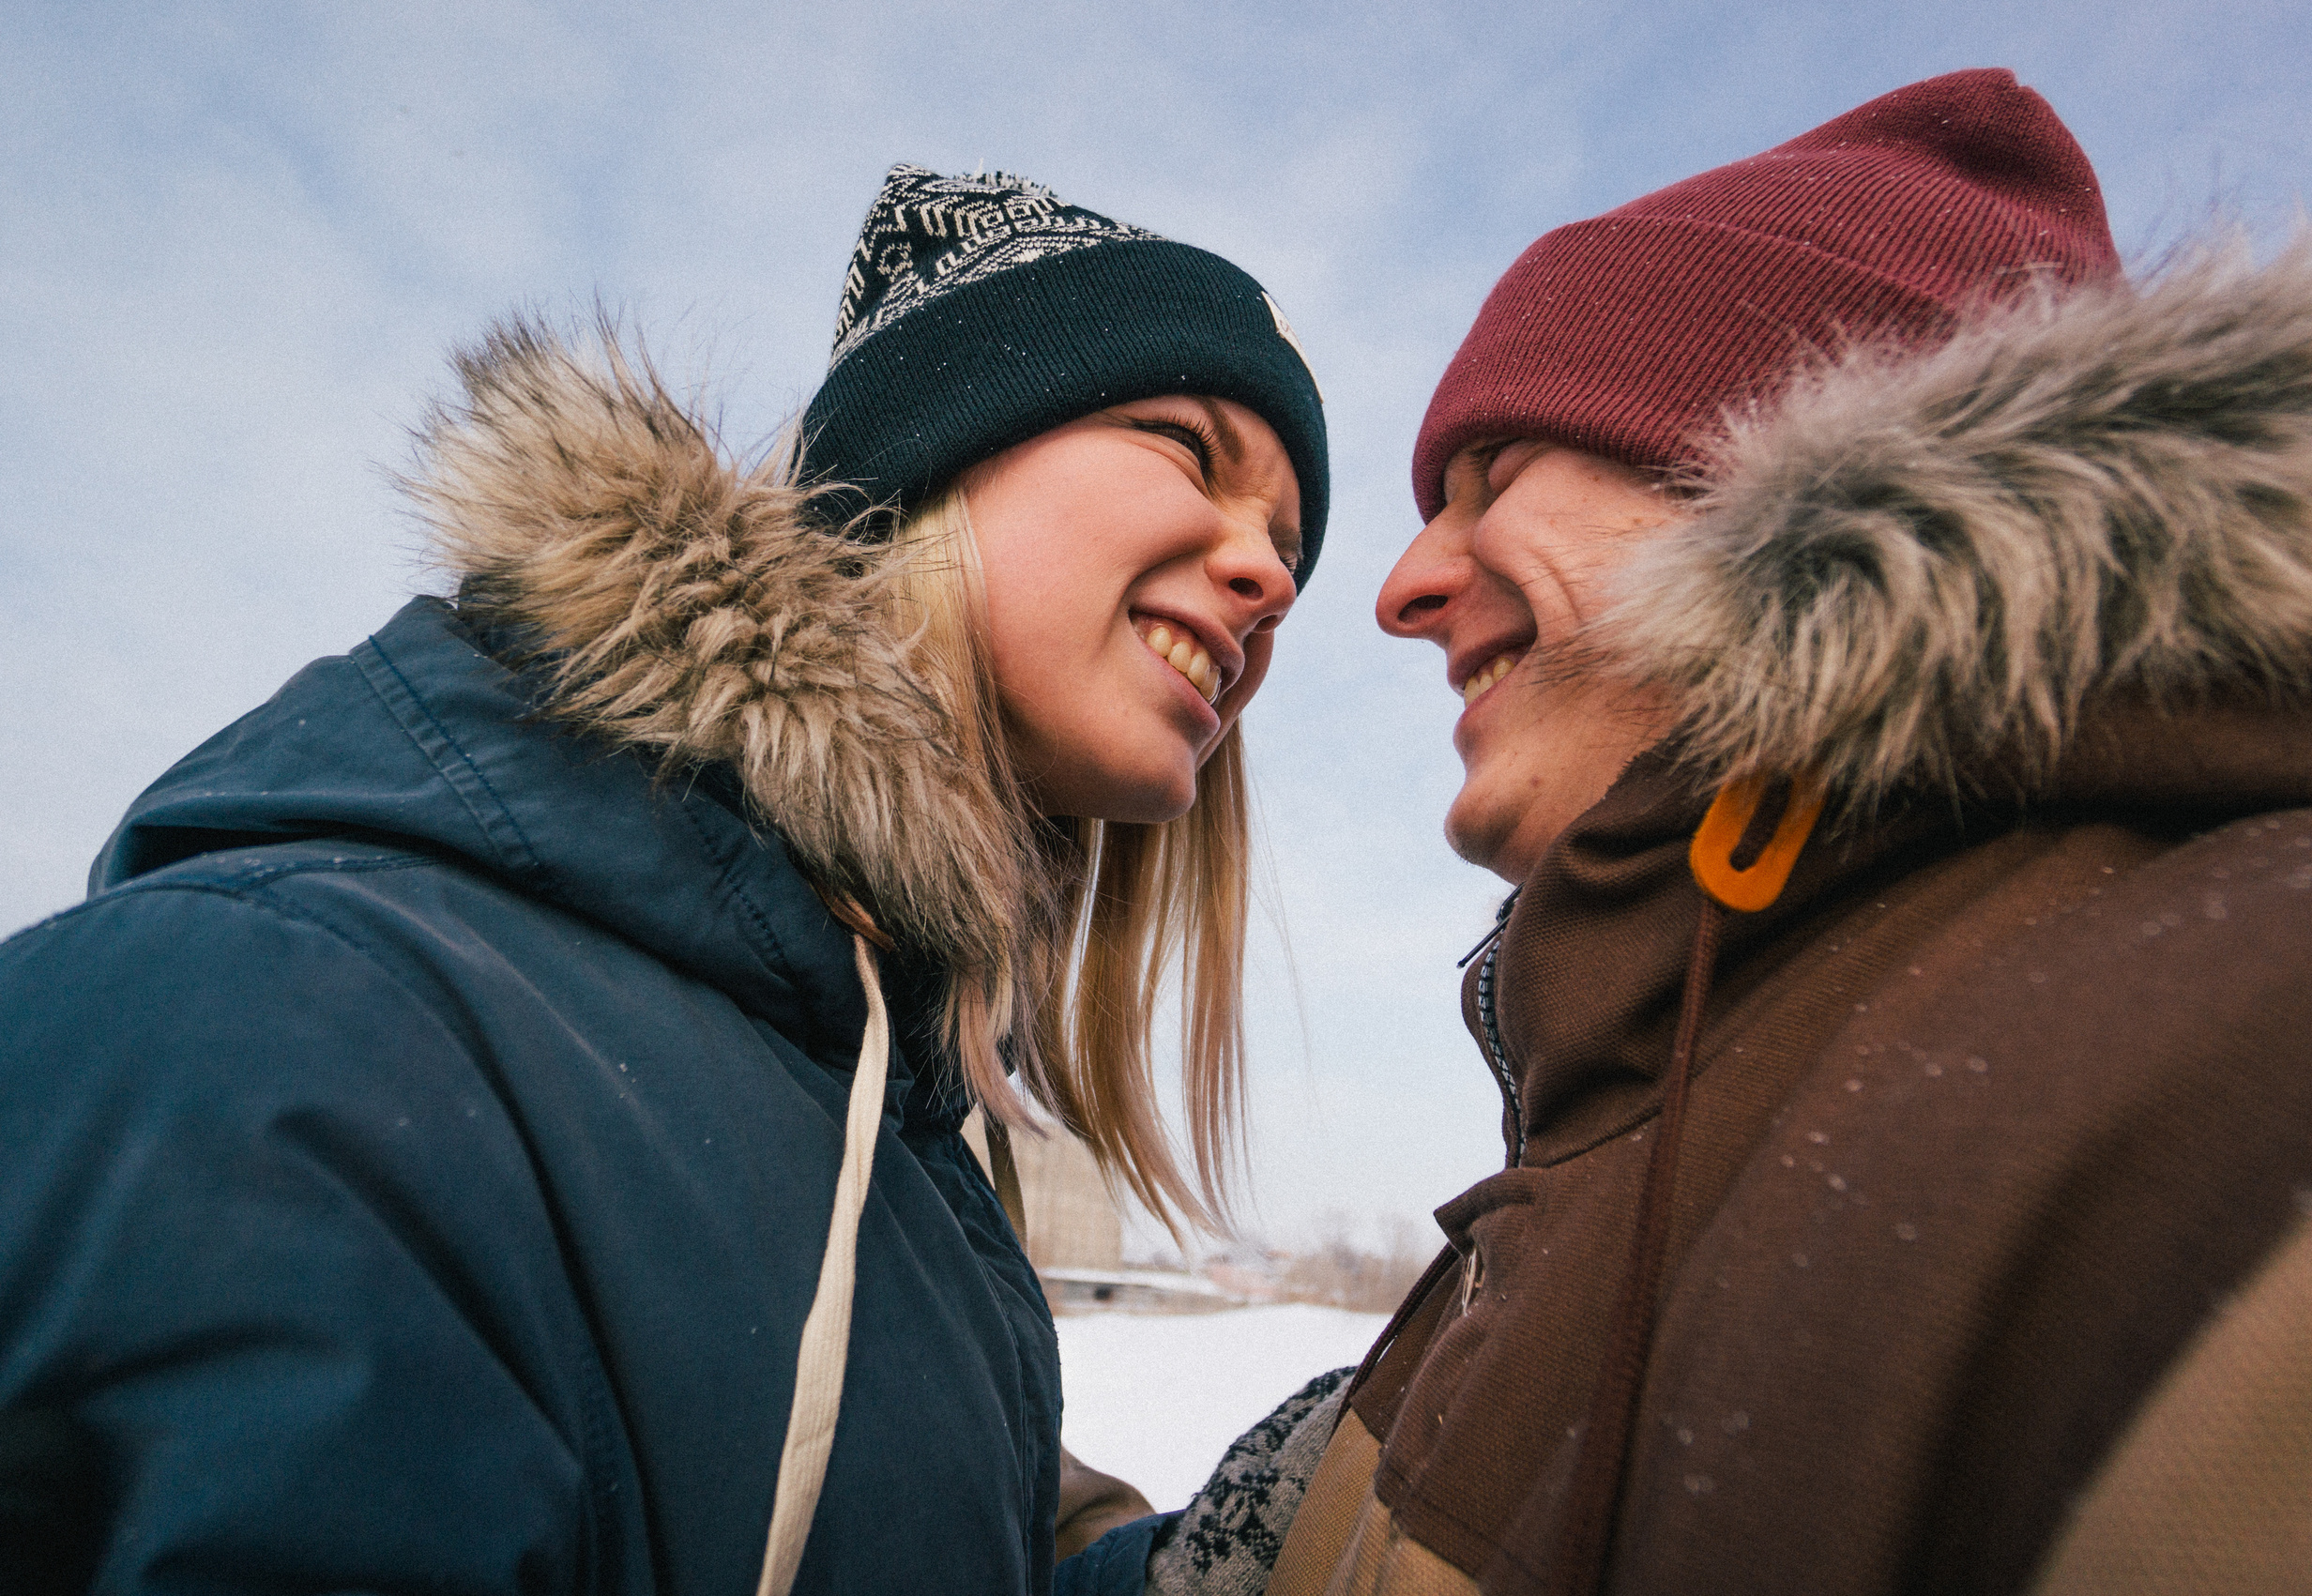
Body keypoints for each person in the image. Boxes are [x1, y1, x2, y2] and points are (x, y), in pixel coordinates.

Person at [0, 164, 1326, 1595]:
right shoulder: (289, 1016)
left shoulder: (889, 1131)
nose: (1267, 571)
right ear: (936, 455)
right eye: (1188, 449)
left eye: (1291, 542)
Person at [1245, 68, 2312, 1596]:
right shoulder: (1628, 1104)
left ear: (1780, 485)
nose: (1400, 586)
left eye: (1495, 479)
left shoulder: (2295, 1021)